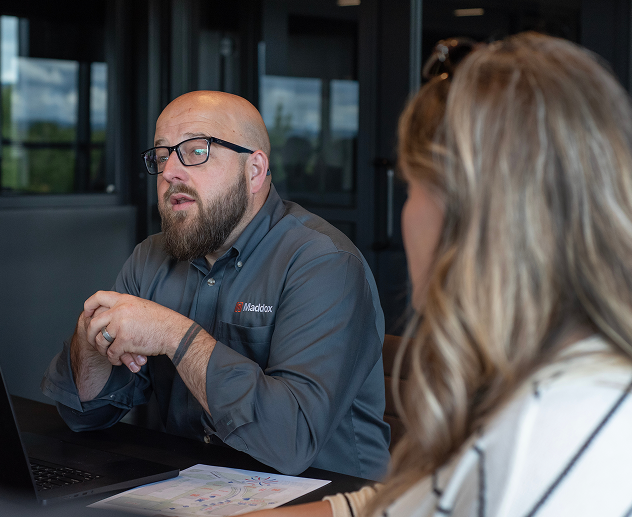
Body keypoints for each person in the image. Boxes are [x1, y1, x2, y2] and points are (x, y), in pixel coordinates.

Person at [251, 32, 632, 517]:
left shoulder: (547, 432)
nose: (406, 211)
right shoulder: (547, 384)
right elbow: (407, 503)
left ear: (469, 216)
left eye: (411, 187)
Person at [41, 90, 391, 479]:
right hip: (195, 489)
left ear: (254, 170)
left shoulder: (324, 264)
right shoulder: (149, 259)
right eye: (162, 156)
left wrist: (175, 335)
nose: (170, 171)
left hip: (324, 497)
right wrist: (89, 343)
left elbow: (291, 442)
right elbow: (84, 416)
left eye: (195, 151)